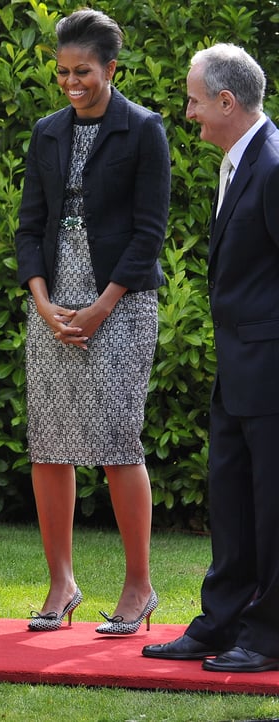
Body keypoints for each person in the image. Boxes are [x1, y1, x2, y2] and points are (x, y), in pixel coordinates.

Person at [13, 9, 169, 634]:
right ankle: (61, 584)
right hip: (51, 306)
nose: (72, 83)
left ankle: (139, 587)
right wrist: (43, 301)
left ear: (111, 68)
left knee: (116, 444)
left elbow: (148, 233)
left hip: (122, 305)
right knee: (49, 447)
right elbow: (28, 227)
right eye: (62, 73)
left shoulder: (144, 130)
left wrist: (102, 305)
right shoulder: (47, 132)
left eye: (84, 72)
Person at [142, 44, 279, 673]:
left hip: (270, 371)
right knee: (231, 501)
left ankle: (268, 633)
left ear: (227, 101)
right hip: (238, 370)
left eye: (195, 101)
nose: (188, 112)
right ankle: (222, 621)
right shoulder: (239, 162)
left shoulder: (273, 165)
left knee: (272, 507)